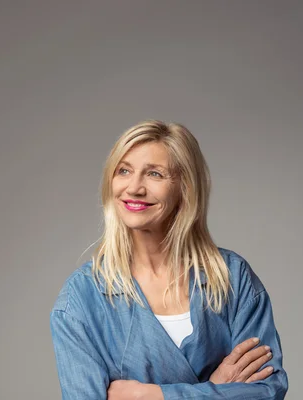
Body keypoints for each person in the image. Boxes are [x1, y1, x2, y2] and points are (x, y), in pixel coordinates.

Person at [49, 120, 288, 399]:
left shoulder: (232, 277)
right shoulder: (82, 298)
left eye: (154, 174)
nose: (134, 188)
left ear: (185, 187)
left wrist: (150, 395)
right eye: (124, 170)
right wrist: (218, 388)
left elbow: (266, 392)